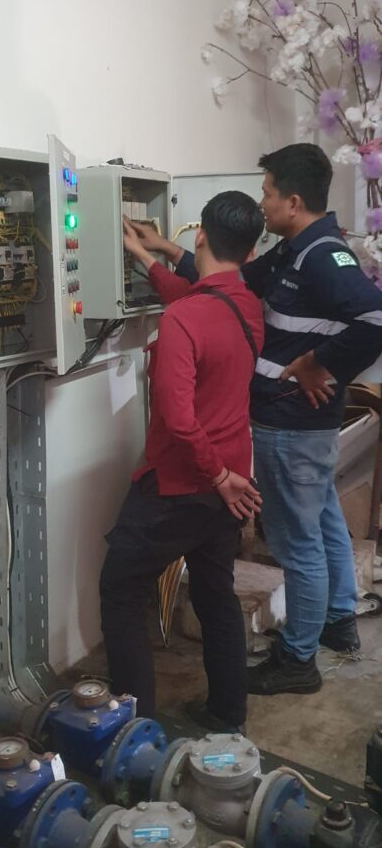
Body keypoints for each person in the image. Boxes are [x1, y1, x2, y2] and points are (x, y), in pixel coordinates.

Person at [132, 143, 382, 697]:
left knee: (297, 545)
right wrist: (165, 250)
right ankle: (337, 621)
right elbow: (232, 276)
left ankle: (298, 659)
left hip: (291, 423)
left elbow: (376, 316)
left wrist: (320, 363)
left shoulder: (322, 257)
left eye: (267, 193)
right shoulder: (295, 250)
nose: (262, 202)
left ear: (293, 201)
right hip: (301, 423)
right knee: (323, 522)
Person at [100, 191, 264, 732]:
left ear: (200, 236)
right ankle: (227, 715)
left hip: (184, 485)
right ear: (252, 249)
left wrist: (214, 475)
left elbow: (177, 416)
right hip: (231, 483)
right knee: (216, 594)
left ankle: (134, 734)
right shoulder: (246, 305)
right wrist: (144, 256)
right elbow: (194, 300)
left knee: (122, 589)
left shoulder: (184, 319)